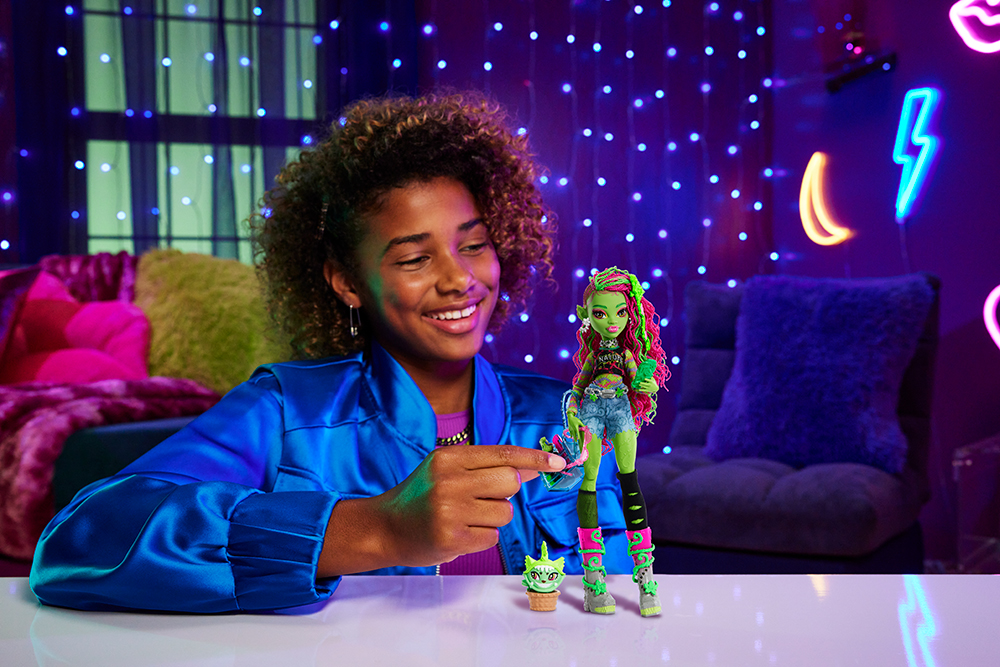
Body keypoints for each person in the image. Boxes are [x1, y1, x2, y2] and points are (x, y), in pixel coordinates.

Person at [29, 93, 631, 613]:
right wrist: (370, 529)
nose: (459, 279)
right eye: (415, 258)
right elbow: (79, 542)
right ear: (347, 282)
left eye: (473, 245)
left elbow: (615, 595)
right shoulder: (284, 408)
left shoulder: (563, 415)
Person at [565, 267, 669, 617]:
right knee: (590, 479)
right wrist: (572, 413)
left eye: (620, 312)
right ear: (586, 315)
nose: (611, 321)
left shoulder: (626, 355)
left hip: (621, 408)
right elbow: (577, 389)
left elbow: (640, 380)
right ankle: (594, 581)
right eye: (600, 313)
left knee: (629, 477)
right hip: (592, 409)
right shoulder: (592, 357)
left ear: (630, 313)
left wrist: (648, 385)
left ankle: (646, 579)